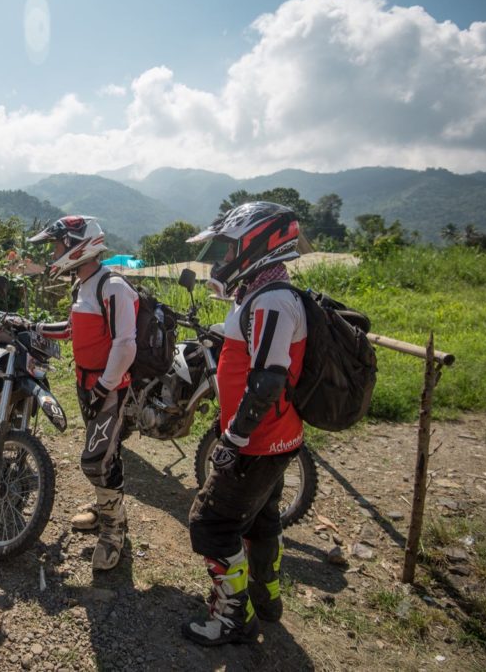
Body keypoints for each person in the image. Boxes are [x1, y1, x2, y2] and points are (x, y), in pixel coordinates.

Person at [180, 201, 307, 645]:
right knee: (260, 520)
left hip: (256, 441)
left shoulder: (271, 300)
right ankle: (266, 597)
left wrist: (233, 437)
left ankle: (234, 617)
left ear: (258, 245)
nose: (223, 259)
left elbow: (269, 379)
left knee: (210, 524)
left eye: (231, 248)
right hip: (276, 438)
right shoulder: (264, 292)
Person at [26, 216, 139, 571]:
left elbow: (126, 344)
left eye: (58, 245)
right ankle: (108, 508)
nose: (55, 252)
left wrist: (103, 386)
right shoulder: (82, 286)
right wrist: (35, 327)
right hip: (86, 383)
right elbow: (73, 331)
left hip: (110, 387)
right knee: (106, 454)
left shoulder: (113, 286)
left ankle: (112, 532)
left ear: (78, 244)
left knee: (94, 459)